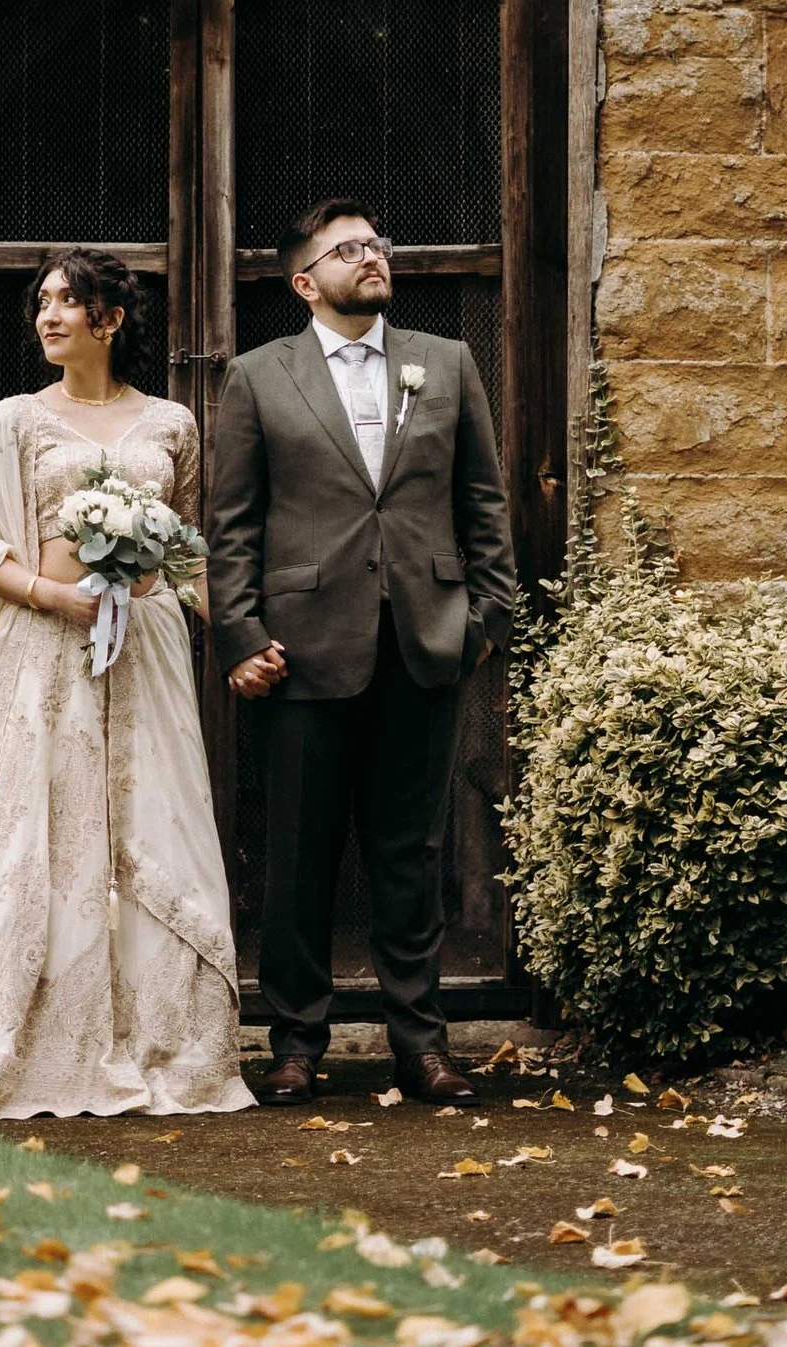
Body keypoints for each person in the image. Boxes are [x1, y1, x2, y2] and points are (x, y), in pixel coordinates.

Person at [0, 248, 253, 1120]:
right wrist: (59, 596)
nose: (49, 316)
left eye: (70, 301)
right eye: (44, 302)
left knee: (156, 827)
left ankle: (166, 1044)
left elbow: (182, 548)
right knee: (49, 833)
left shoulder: (172, 422)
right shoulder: (15, 421)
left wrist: (243, 637)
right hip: (45, 652)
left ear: (112, 319)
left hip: (144, 651)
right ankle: (29, 1045)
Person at [207, 199, 518, 1107]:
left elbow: (483, 504)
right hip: (298, 652)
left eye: (377, 242)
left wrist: (483, 619)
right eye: (348, 249)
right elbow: (232, 526)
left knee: (410, 854)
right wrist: (240, 632)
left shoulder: (446, 364)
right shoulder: (259, 378)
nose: (372, 255)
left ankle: (419, 1044)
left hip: (423, 643)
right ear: (305, 282)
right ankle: (296, 1042)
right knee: (298, 854)